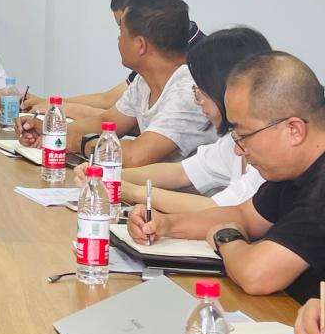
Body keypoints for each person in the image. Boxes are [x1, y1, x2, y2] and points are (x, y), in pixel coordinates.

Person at [128, 52, 325, 302]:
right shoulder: (293, 170)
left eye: (243, 135)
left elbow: (256, 275)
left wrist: (227, 237)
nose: (238, 150)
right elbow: (244, 216)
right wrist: (165, 224)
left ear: (294, 130)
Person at [73, 27, 270, 211]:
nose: (197, 100)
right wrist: (106, 175)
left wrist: (129, 191)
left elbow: (221, 210)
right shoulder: (231, 142)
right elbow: (180, 172)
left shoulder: (267, 150)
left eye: (201, 89)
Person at [18, 0, 216, 166]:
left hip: (175, 196)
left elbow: (133, 156)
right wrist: (50, 130)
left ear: (140, 45)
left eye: (121, 32)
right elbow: (106, 122)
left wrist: (76, 142)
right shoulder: (143, 82)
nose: (118, 39)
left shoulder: (188, 91)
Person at [24, 0, 205, 119]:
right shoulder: (143, 81)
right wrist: (51, 103)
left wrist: (60, 108)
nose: (120, 37)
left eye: (123, 27)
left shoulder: (195, 66)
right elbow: (111, 100)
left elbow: (134, 129)